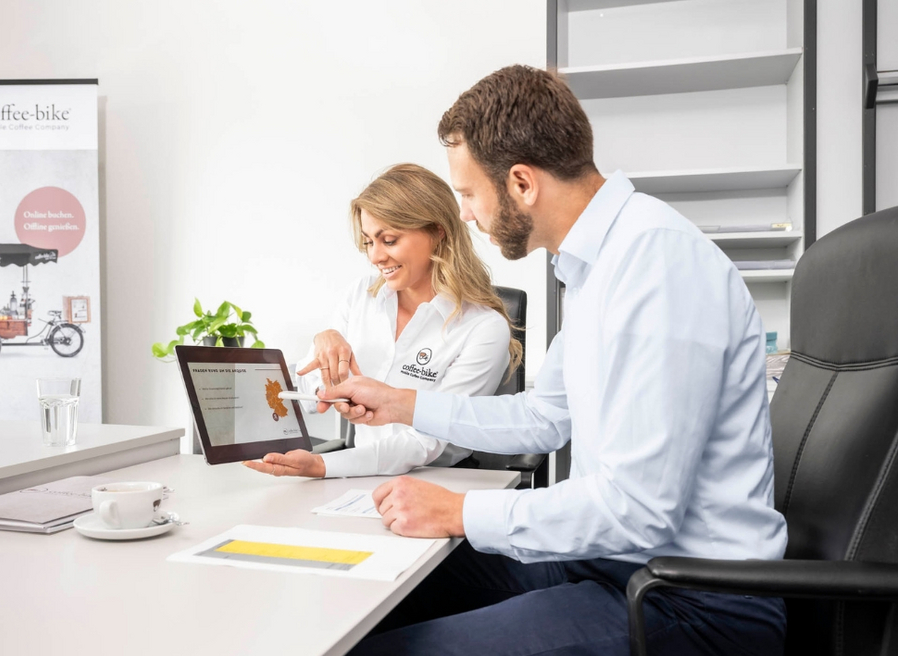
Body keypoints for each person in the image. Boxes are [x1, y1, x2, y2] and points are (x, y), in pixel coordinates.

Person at [317, 66, 789, 655]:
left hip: (689, 601)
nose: (465, 215)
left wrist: (461, 511)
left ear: (521, 183)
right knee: (376, 592)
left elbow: (640, 508)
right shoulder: (597, 266)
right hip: (610, 562)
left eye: (469, 194)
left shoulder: (656, 263)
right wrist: (402, 404)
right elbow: (544, 415)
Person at [244, 163, 522, 479]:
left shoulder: (483, 329)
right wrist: (324, 346)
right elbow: (310, 396)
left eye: (388, 240)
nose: (375, 257)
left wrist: (325, 466)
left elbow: (427, 442)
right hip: (358, 479)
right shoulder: (361, 297)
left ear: (437, 232)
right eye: (368, 242)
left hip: (440, 481)